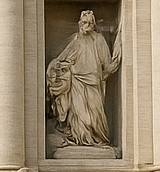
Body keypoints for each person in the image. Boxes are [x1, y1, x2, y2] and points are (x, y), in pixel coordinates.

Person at [46, 10, 122, 148]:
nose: (87, 25)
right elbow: (64, 58)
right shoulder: (76, 39)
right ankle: (81, 139)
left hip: (93, 82)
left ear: (94, 25)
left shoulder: (99, 40)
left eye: (90, 23)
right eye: (84, 23)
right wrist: (56, 67)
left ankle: (95, 139)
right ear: (79, 24)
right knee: (78, 116)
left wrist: (115, 59)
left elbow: (106, 63)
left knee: (95, 115)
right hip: (77, 83)